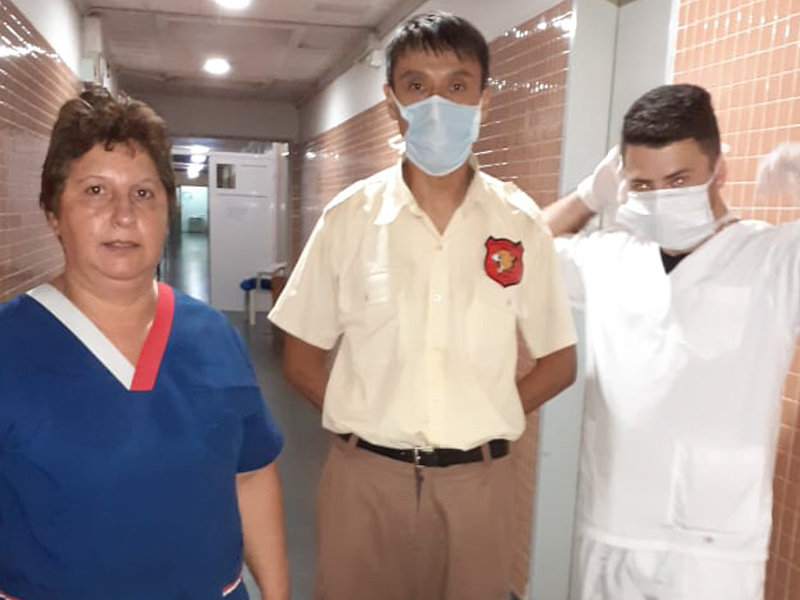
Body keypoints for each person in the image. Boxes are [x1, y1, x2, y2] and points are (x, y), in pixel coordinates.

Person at [269, 11, 577, 600]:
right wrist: (370, 418)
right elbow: (300, 359)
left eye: (457, 85)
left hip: (479, 486)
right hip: (365, 482)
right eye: (417, 86)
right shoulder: (350, 218)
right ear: (392, 102)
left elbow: (559, 361)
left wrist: (480, 411)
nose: (438, 104)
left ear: (483, 99)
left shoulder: (519, 224)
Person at [0, 90, 289, 600]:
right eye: (95, 190)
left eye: (143, 193)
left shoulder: (213, 336)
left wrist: (278, 593)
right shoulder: (11, 344)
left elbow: (250, 476)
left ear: (166, 212)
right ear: (52, 212)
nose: (123, 215)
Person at [542, 83, 800, 600]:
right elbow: (519, 252)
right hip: (613, 526)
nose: (661, 196)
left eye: (678, 179)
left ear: (719, 168)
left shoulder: (773, 258)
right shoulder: (612, 256)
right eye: (643, 184)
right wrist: (588, 196)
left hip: (714, 546)